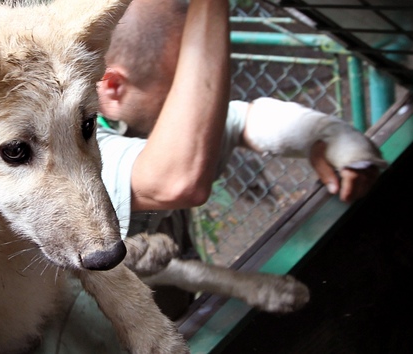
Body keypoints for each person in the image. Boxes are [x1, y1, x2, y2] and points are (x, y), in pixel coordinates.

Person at [0, 0, 384, 352]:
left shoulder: (55, 114)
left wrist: (322, 132)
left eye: (86, 128)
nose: (101, 234)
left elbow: (235, 120)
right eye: (18, 152)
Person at [95, 0, 383, 318]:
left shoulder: (150, 120)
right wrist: (238, 284)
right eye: (183, 93)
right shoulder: (83, 152)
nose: (199, 104)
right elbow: (174, 181)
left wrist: (332, 139)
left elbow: (245, 118)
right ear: (114, 86)